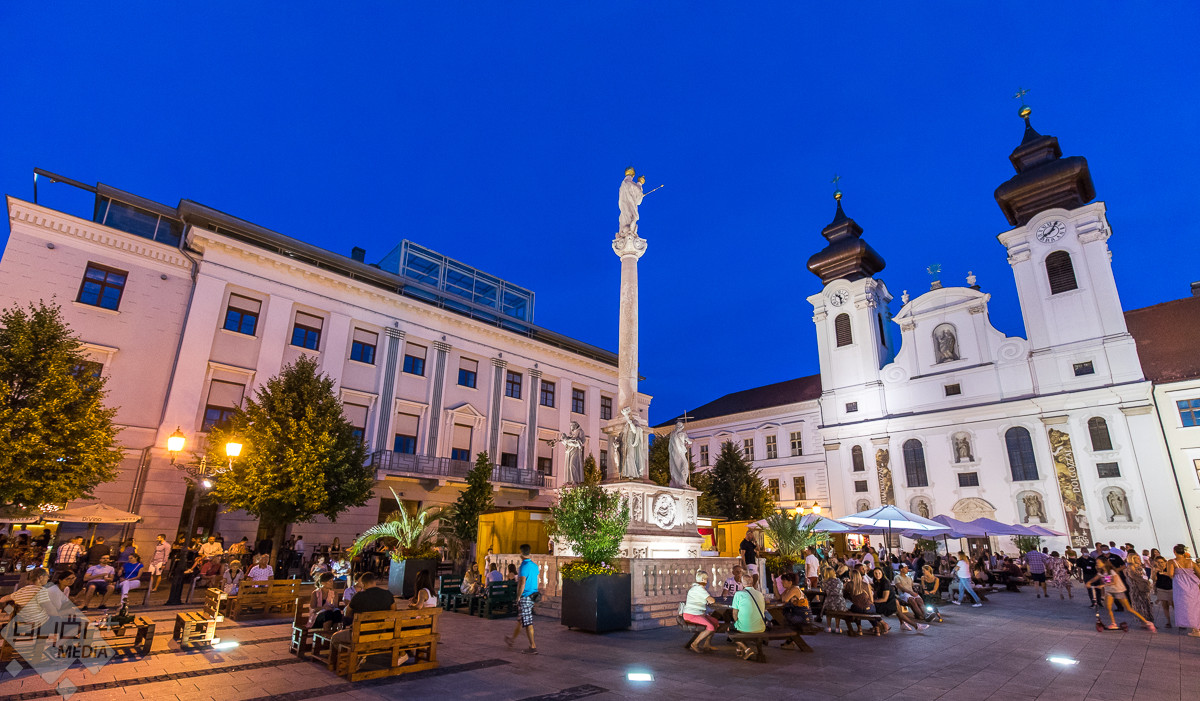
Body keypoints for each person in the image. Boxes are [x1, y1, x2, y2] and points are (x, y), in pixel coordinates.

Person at [1088, 558, 1155, 631]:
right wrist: (1089, 582)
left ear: (1104, 563)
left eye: (1098, 562)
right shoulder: (1101, 572)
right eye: (1097, 563)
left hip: (1118, 591)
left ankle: (1147, 622)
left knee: (1129, 609)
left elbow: (1114, 582)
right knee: (1108, 607)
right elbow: (1095, 578)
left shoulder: (1111, 571)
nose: (1097, 564)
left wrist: (1103, 585)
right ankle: (1113, 623)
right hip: (1109, 591)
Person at [504, 544, 539, 654]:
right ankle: (512, 640)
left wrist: (518, 596)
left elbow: (522, 582)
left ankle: (533, 646)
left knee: (527, 622)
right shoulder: (535, 566)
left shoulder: (523, 566)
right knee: (521, 620)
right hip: (533, 595)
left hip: (525, 596)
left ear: (521, 553)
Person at [1164, 544, 1200, 636]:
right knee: (1195, 607)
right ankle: (1196, 628)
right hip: (1193, 586)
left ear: (1174, 552)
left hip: (1181, 587)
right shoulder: (1191, 562)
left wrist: (1164, 573)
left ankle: (1195, 629)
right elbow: (1199, 573)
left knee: (1184, 607)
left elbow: (1170, 574)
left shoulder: (1172, 562)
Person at [730, 572, 766, 660]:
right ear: (752, 583)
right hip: (761, 627)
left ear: (742, 583)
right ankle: (739, 649)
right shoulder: (760, 594)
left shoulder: (738, 594)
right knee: (739, 625)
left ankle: (746, 649)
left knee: (730, 630)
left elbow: (734, 613)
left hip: (745, 628)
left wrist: (737, 621)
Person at [680, 570, 718, 653]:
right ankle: (694, 644)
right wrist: (710, 599)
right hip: (691, 615)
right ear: (703, 580)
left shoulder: (698, 588)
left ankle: (707, 644)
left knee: (715, 622)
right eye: (706, 579)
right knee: (710, 627)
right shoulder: (699, 589)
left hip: (699, 614)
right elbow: (712, 600)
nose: (707, 581)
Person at [778, 572, 813, 642]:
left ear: (790, 582)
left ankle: (790, 641)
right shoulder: (790, 589)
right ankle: (790, 641)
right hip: (800, 616)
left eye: (784, 581)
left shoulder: (794, 589)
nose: (782, 582)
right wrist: (775, 586)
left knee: (783, 619)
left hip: (804, 618)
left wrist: (786, 591)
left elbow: (784, 600)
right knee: (782, 618)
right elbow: (779, 597)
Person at [1123, 552, 1155, 624]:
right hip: (1137, 588)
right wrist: (1145, 581)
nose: (1139, 559)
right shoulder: (1131, 566)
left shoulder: (1139, 565)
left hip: (1143, 586)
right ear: (1132, 559)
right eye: (1136, 558)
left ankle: (1148, 620)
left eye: (1139, 558)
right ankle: (1144, 621)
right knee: (1141, 605)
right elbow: (1134, 576)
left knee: (1146, 603)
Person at [820, 565, 848, 633]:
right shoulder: (839, 581)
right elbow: (842, 589)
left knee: (828, 611)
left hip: (830, 601)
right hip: (840, 602)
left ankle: (828, 627)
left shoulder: (825, 582)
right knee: (837, 613)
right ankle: (837, 628)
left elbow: (823, 590)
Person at [1150, 555, 1173, 628]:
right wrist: (1154, 572)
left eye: (1162, 562)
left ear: (1165, 562)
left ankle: (1181, 621)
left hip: (1171, 588)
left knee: (1174, 605)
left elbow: (1173, 576)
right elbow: (1154, 579)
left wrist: (1166, 573)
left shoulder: (1169, 567)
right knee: (1165, 605)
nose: (1160, 564)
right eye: (1158, 562)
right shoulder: (1155, 568)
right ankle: (1168, 622)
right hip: (1161, 588)